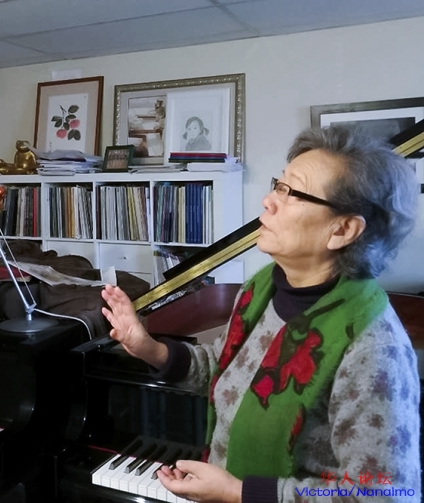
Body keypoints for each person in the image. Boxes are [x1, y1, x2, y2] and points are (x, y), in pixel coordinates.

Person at [102, 124, 421, 502]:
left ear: (343, 229)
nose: (269, 201)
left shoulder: (374, 349)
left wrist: (238, 492)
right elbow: (224, 370)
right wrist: (148, 348)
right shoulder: (261, 288)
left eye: (292, 192)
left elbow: (388, 495)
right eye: (278, 185)